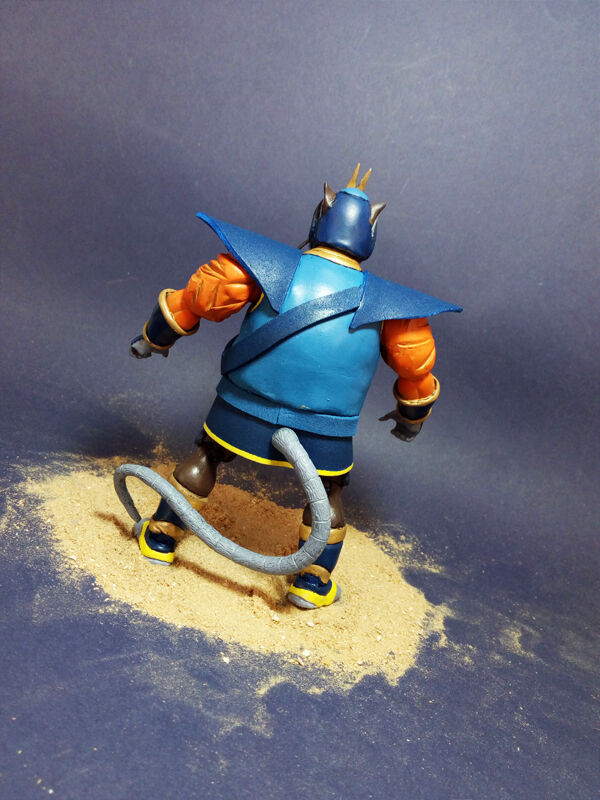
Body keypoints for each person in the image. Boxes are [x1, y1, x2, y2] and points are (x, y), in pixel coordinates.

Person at [130, 165, 461, 609]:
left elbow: (199, 298)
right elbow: (415, 368)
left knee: (207, 456)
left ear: (320, 217)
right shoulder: (392, 305)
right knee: (327, 495)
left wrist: (155, 337)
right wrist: (411, 419)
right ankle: (313, 580)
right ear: (370, 232)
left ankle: (160, 535)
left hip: (242, 409)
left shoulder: (265, 265)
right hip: (323, 431)